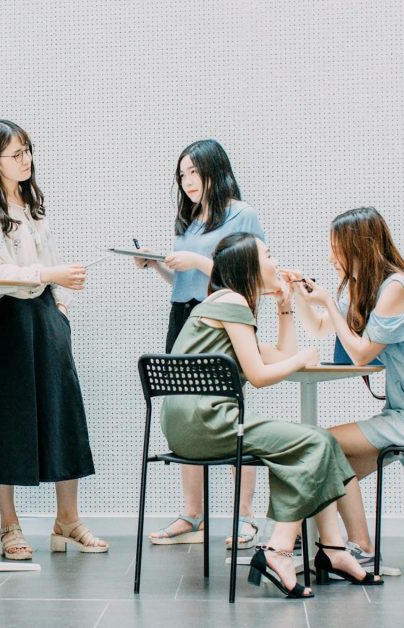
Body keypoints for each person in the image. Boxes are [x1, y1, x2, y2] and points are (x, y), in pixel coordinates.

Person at [161, 232, 383, 598]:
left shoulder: (221, 303)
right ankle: (278, 551)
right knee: (316, 441)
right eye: (268, 254)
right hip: (209, 422)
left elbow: (280, 355)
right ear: (249, 266)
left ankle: (333, 549)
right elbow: (261, 376)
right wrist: (305, 357)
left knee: (320, 443)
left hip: (189, 425)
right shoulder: (232, 301)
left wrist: (285, 307)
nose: (276, 262)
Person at [0, 119, 108, 560]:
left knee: (63, 413)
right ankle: (9, 525)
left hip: (45, 315)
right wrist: (48, 275)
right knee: (7, 419)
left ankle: (68, 521)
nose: (25, 160)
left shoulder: (32, 202)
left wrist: (60, 306)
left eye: (28, 150)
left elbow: (53, 261)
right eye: (15, 154)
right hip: (7, 320)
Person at [294, 206, 404, 570]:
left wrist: (328, 302)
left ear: (358, 246)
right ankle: (342, 545)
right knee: (332, 462)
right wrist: (300, 298)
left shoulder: (397, 287)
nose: (331, 257)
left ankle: (345, 544)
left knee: (324, 442)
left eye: (336, 248)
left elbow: (361, 354)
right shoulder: (367, 289)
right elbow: (319, 328)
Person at [137, 140, 265, 550]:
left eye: (194, 172)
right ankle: (193, 514)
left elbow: (249, 276)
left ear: (215, 170)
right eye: (182, 174)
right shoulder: (188, 221)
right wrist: (157, 264)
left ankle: (245, 516)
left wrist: (195, 261)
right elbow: (184, 283)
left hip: (226, 315)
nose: (187, 181)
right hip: (185, 317)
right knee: (185, 409)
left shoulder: (242, 214)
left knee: (230, 409)